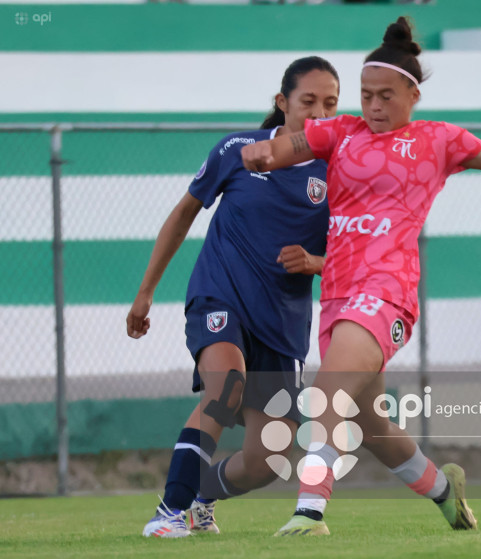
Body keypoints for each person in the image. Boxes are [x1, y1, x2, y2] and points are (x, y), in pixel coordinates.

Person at [241, 17, 481, 537]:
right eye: (365, 95)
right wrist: (261, 153)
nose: (374, 106)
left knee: (327, 389)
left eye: (386, 95)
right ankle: (445, 491)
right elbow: (282, 147)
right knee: (369, 425)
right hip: (338, 294)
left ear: (413, 95)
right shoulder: (340, 133)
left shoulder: (438, 141)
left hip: (388, 294)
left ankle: (309, 512)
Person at [126, 56, 340, 538]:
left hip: (282, 324)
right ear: (283, 102)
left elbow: (355, 254)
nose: (320, 113)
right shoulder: (239, 149)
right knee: (226, 387)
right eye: (309, 102)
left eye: (330, 104)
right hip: (219, 296)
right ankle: (168, 513)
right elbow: (183, 214)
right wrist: (145, 293)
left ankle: (203, 495)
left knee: (270, 460)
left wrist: (315, 263)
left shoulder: (338, 172)